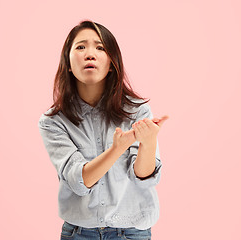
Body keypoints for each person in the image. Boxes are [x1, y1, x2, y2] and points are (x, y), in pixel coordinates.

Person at [38, 19, 169, 240]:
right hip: (78, 233)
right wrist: (117, 148)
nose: (90, 54)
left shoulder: (137, 111)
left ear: (112, 63)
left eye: (100, 47)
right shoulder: (53, 121)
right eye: (81, 47)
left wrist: (149, 142)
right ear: (68, 63)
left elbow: (144, 177)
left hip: (132, 232)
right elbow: (79, 180)